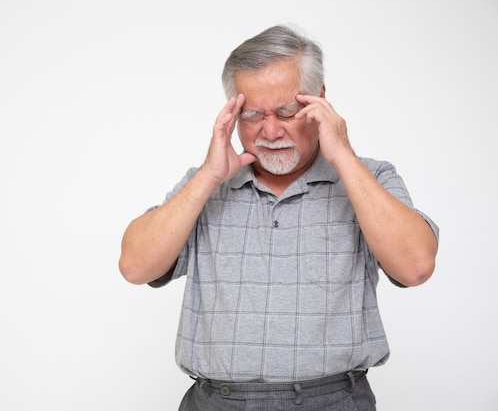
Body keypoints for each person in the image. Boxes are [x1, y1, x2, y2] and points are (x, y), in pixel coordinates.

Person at [119, 23, 439, 411]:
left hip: (334, 401)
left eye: (287, 111)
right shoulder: (203, 186)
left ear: (320, 101)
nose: (270, 131)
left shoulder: (370, 179)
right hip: (217, 402)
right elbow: (134, 267)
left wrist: (344, 158)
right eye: (252, 115)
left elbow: (416, 267)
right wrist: (208, 176)